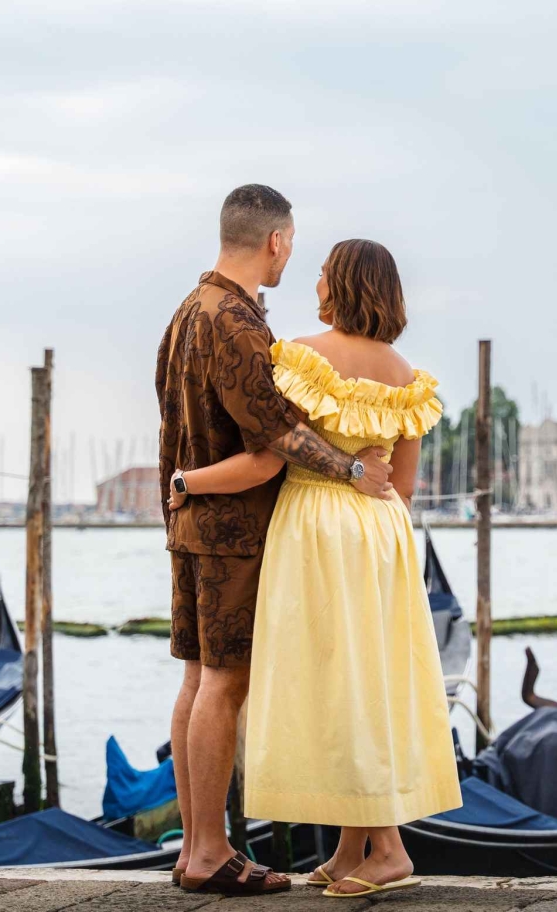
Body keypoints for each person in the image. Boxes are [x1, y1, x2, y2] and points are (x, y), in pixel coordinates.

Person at [170, 238, 461, 897]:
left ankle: (386, 848)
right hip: (382, 532)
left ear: (345, 285)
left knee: (332, 681)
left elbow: (272, 456)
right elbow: (404, 485)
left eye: (326, 273)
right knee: (365, 676)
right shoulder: (408, 375)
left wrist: (190, 479)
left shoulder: (302, 357)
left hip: (316, 525)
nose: (317, 281)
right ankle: (349, 847)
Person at [156, 187, 394, 896]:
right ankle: (207, 850)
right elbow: (275, 439)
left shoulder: (184, 314)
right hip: (233, 531)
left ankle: (196, 846)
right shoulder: (235, 321)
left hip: (190, 523)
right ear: (278, 241)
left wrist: (182, 491)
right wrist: (354, 469)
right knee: (224, 683)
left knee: (198, 677)